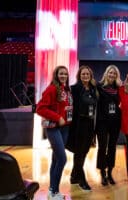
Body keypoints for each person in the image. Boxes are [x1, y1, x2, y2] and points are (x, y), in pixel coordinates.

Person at [36, 65, 73, 200]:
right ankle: (54, 191)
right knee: (62, 159)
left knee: (56, 159)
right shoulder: (51, 89)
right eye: (61, 74)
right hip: (53, 127)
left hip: (65, 128)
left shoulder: (67, 89)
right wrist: (58, 117)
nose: (63, 76)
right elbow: (40, 108)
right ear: (56, 75)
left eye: (65, 74)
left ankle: (52, 191)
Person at [66, 65, 98, 191]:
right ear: (79, 76)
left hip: (89, 124)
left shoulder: (93, 89)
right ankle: (81, 179)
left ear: (91, 76)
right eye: (83, 74)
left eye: (87, 74)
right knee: (79, 152)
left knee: (84, 151)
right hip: (78, 124)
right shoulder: (73, 89)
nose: (85, 76)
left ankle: (74, 176)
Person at [95, 65, 121, 186]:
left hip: (115, 122)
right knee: (102, 147)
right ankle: (102, 173)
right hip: (102, 122)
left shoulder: (119, 88)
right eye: (110, 73)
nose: (112, 75)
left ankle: (110, 172)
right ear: (106, 73)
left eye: (114, 73)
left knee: (112, 147)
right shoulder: (99, 87)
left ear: (117, 76)